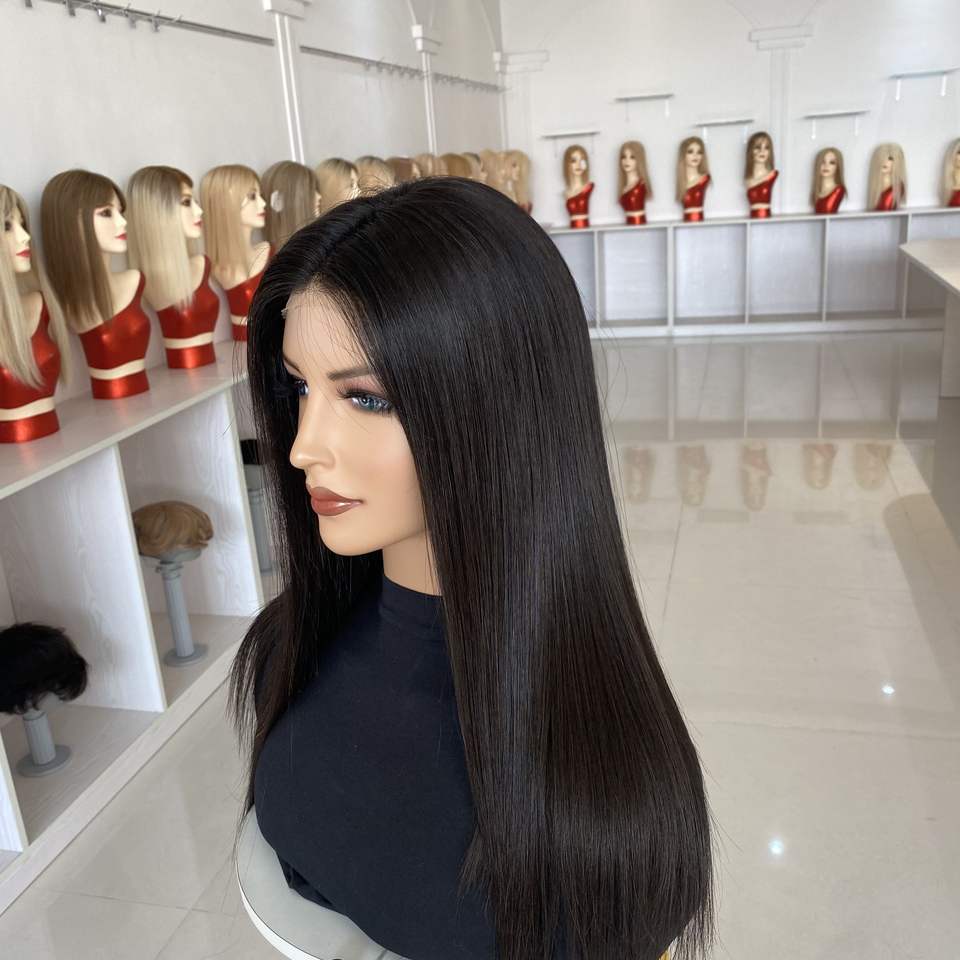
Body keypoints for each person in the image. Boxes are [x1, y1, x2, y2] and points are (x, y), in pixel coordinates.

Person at [229, 177, 717, 960]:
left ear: (495, 408)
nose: (302, 448)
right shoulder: (287, 651)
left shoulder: (593, 816)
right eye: (298, 387)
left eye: (366, 399)